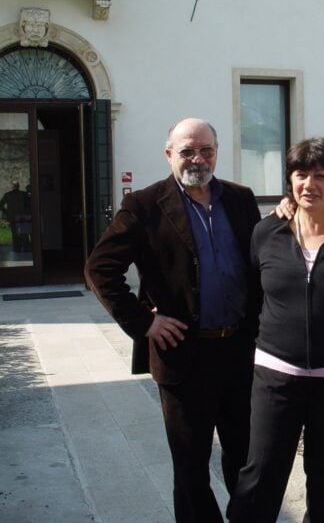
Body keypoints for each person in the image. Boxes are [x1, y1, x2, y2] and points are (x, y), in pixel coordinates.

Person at [84, 118, 261, 523]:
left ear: (217, 151)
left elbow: (262, 258)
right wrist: (143, 323)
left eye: (207, 150)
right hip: (184, 357)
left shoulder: (240, 198)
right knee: (191, 467)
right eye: (187, 151)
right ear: (169, 155)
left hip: (240, 353)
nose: (198, 158)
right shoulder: (145, 205)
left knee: (248, 461)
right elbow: (99, 268)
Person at [230, 138, 324, 522]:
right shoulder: (266, 233)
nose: (309, 184)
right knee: (259, 477)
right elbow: (252, 297)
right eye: (300, 175)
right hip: (275, 377)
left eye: (321, 176)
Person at [0, 180, 31, 252]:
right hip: (22, 216)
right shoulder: (24, 194)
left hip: (12, 217)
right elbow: (29, 204)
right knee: (23, 232)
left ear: (12, 187)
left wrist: (6, 212)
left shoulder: (8, 195)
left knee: (15, 233)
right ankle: (25, 247)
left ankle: (17, 248)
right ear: (18, 186)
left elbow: (0, 204)